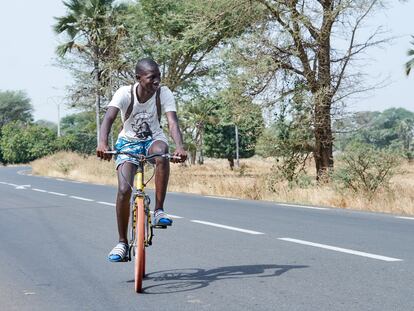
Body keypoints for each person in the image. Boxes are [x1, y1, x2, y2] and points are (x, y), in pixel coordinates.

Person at [96, 58, 187, 262]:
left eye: (159, 77)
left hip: (152, 140)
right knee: (123, 190)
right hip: (128, 143)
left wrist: (180, 147)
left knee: (162, 152)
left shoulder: (163, 93)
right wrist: (102, 143)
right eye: (151, 77)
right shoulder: (124, 93)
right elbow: (108, 119)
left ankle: (158, 210)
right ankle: (121, 242)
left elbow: (172, 122)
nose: (157, 81)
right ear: (138, 78)